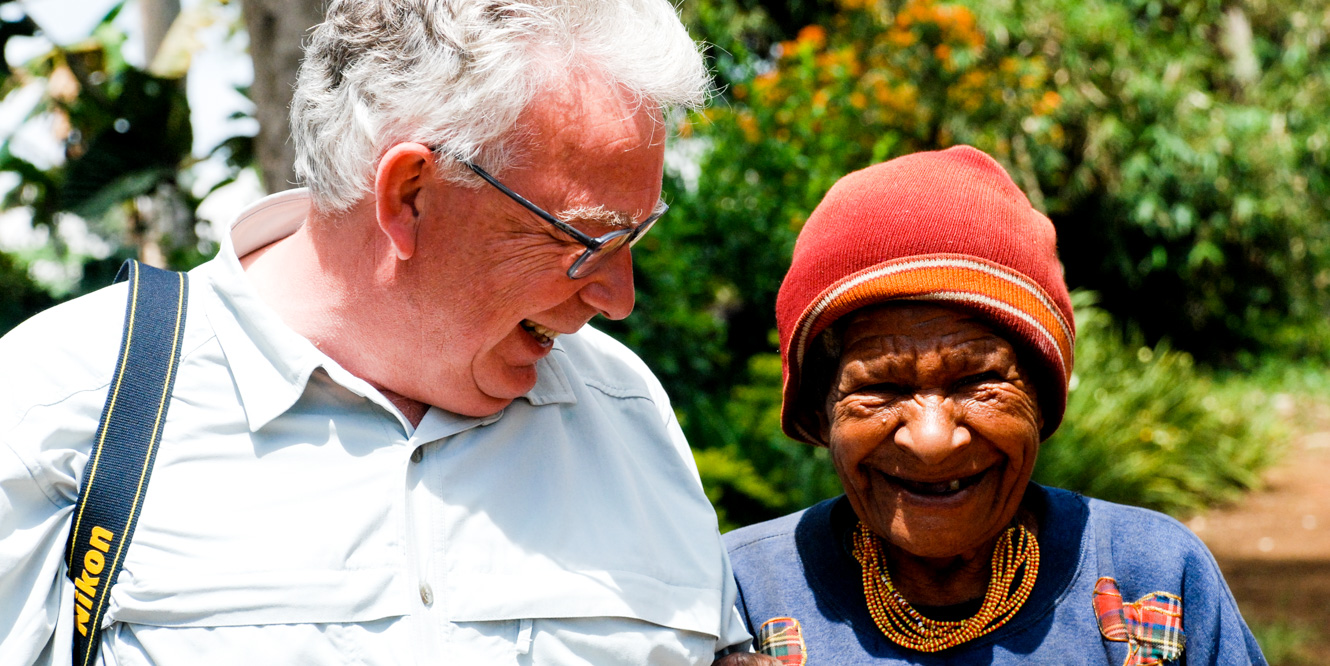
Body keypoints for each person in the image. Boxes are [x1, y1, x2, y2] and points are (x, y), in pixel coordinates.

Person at [0, 1, 756, 663]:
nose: (618, 298)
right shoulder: (65, 404)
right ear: (411, 194)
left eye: (638, 235)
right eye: (587, 240)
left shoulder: (626, 407)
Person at [724, 146, 1267, 665]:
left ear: (1040, 397)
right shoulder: (741, 592)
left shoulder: (1153, 574)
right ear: (821, 414)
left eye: (979, 381)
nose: (933, 441)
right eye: (882, 390)